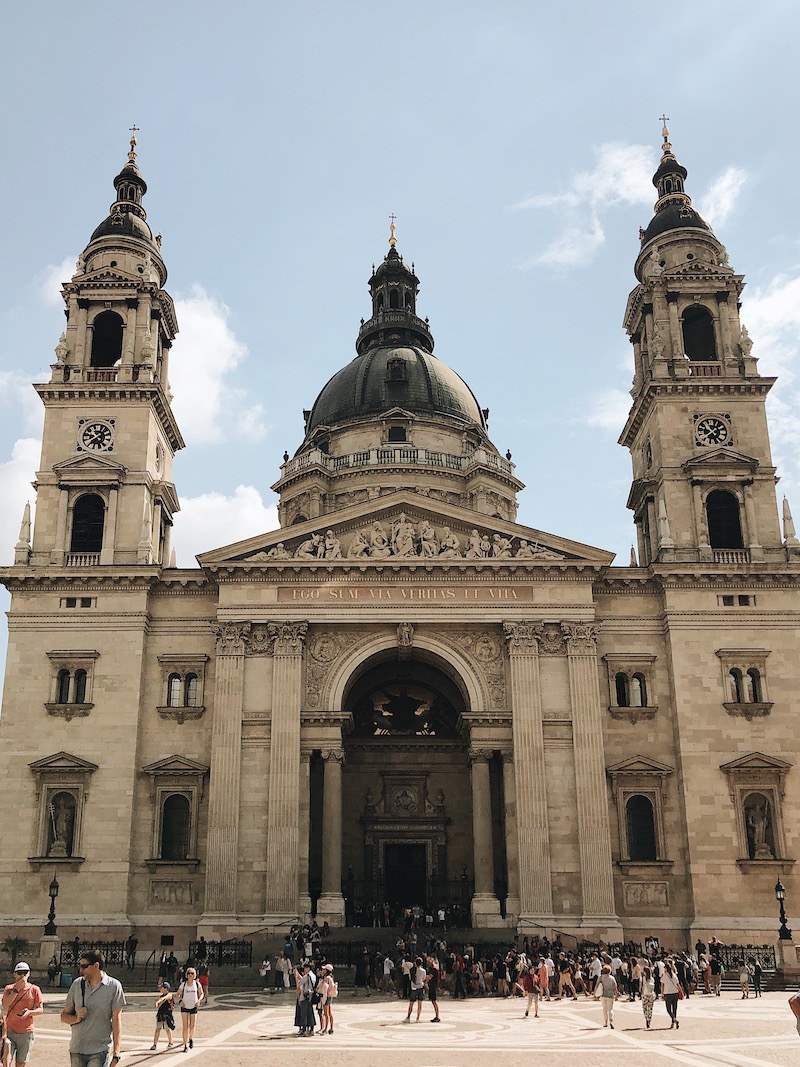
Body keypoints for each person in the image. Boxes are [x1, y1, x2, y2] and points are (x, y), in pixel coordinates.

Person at [60, 948, 125, 1067]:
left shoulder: (114, 986)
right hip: (77, 1048)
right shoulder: (77, 984)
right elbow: (64, 1016)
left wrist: (116, 1052)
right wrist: (76, 1018)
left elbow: (116, 1020)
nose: (81, 970)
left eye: (84, 966)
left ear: (96, 965)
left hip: (99, 1050)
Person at [2, 961, 43, 1067]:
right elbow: (5, 1005)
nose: (22, 976)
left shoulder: (34, 989)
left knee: (21, 1063)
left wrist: (30, 1012)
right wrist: (17, 989)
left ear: (29, 974)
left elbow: (40, 1009)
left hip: (26, 1032)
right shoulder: (9, 989)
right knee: (6, 1060)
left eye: (25, 973)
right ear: (14, 974)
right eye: (19, 973)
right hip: (10, 1030)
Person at [176, 966, 205, 1052]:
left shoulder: (197, 984)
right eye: (188, 973)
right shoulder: (183, 984)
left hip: (194, 1006)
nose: (190, 975)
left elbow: (201, 993)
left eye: (192, 973)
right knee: (185, 1026)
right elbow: (178, 993)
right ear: (186, 975)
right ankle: (185, 1045)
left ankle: (191, 1038)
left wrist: (199, 1000)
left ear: (194, 975)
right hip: (184, 1006)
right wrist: (180, 1000)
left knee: (192, 1026)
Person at [150, 981, 175, 1051]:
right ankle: (154, 1044)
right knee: (158, 1029)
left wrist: (160, 1001)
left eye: (162, 987)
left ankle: (170, 1042)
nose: (160, 989)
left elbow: (166, 998)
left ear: (166, 989)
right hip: (160, 1014)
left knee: (167, 1029)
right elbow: (159, 1006)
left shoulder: (169, 995)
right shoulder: (161, 996)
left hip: (167, 1015)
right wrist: (159, 1002)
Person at [593, 964, 617, 1029]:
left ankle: (605, 1022)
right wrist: (616, 995)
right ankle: (611, 1020)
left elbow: (597, 985)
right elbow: (615, 987)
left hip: (603, 994)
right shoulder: (612, 978)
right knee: (610, 1008)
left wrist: (594, 993)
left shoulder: (601, 977)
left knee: (604, 1009)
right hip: (610, 994)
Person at [661, 957, 681, 1029]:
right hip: (675, 992)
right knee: (674, 1009)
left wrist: (662, 994)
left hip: (668, 993)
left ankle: (674, 1020)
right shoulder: (674, 975)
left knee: (668, 1009)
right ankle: (673, 1022)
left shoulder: (664, 975)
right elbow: (678, 984)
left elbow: (662, 986)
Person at [404, 957, 426, 1022]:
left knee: (411, 1003)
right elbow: (424, 978)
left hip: (413, 987)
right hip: (420, 987)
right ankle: (418, 1018)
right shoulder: (423, 971)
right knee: (419, 1004)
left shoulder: (412, 970)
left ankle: (408, 1017)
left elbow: (410, 978)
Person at [318, 964, 336, 1034]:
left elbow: (325, 989)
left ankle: (325, 1029)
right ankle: (331, 1028)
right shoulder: (329, 978)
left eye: (324, 969)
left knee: (326, 1013)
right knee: (329, 1013)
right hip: (329, 996)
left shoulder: (327, 979)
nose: (322, 971)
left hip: (326, 997)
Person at [424, 957, 440, 1022]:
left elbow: (430, 977)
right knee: (433, 1001)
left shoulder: (433, 969)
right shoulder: (432, 968)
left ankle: (437, 1016)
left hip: (433, 986)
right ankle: (436, 1016)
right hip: (432, 986)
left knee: (434, 1001)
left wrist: (422, 978)